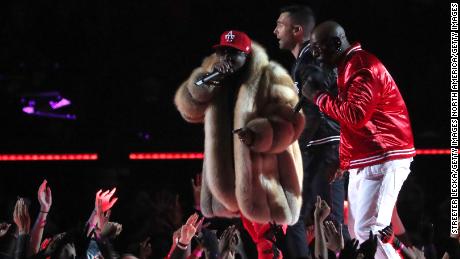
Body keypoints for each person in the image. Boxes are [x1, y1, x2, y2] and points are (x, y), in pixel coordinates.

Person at [174, 30, 305, 258]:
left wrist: (258, 134)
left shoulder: (270, 77)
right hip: (231, 177)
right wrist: (210, 79)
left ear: (247, 55)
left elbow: (292, 119)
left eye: (233, 54)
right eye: (223, 51)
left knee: (268, 243)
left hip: (265, 172)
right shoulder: (214, 77)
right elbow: (188, 108)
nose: (226, 58)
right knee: (244, 242)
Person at [301, 21, 415, 258]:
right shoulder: (349, 66)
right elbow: (350, 125)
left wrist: (318, 97)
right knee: (357, 231)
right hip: (369, 157)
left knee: (371, 230)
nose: (314, 54)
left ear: (336, 43)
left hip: (384, 154)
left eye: (317, 47)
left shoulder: (361, 65)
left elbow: (355, 115)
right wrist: (344, 161)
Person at [273, 5, 347, 257]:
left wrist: (295, 147)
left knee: (330, 224)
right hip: (320, 148)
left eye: (280, 25)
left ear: (297, 30)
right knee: (299, 218)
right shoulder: (305, 60)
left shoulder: (310, 60)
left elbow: (317, 108)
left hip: (325, 148)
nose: (275, 31)